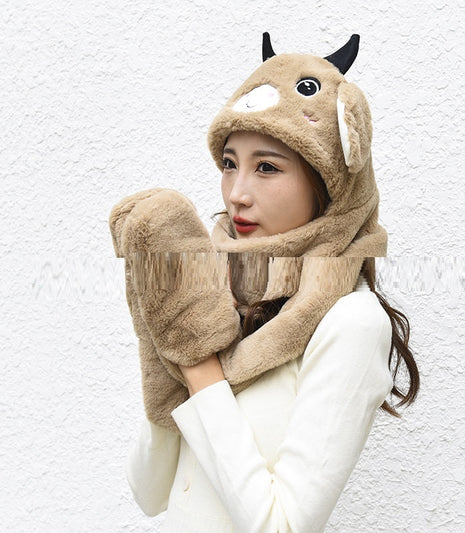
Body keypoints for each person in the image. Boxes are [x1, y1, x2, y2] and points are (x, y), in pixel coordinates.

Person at [114, 33, 419, 533]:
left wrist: (199, 368)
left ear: (328, 185)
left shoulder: (351, 322)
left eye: (267, 168)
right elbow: (149, 493)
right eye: (229, 164)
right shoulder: (216, 294)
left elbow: (283, 527)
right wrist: (161, 325)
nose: (237, 193)